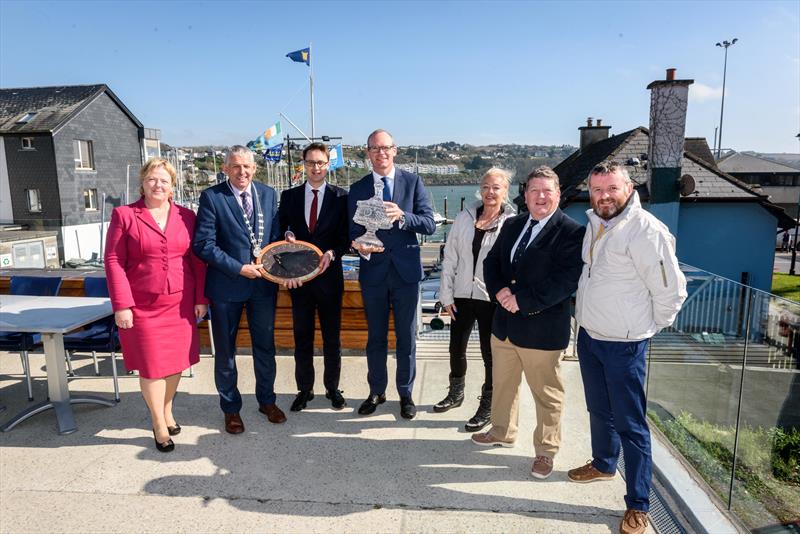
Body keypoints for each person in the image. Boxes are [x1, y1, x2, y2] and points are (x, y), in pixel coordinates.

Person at [568, 161, 687, 534]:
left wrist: (644, 329)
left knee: (632, 426)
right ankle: (604, 464)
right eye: (597, 190)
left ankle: (638, 504)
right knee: (598, 410)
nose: (604, 197)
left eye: (611, 189)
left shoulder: (646, 230)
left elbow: (672, 292)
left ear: (629, 188)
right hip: (591, 337)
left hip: (625, 344)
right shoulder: (596, 223)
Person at [471, 166, 585, 481]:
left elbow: (565, 281)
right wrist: (500, 292)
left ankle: (546, 452)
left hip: (542, 330)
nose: (540, 197)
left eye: (547, 190)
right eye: (534, 190)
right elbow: (491, 262)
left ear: (559, 195)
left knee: (547, 395)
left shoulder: (573, 232)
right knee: (504, 385)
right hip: (504, 325)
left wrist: (522, 300)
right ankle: (502, 431)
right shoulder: (513, 224)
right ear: (525, 195)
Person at [104, 158, 208, 453]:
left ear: (172, 186)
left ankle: (167, 410)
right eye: (152, 179)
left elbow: (197, 261)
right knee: (151, 366)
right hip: (142, 305)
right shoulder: (125, 215)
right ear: (143, 183)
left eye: (164, 180)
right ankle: (158, 423)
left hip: (180, 304)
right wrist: (121, 305)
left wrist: (201, 298)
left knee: (176, 363)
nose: (157, 185)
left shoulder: (187, 216)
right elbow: (113, 261)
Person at [193, 145, 283, 434]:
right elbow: (204, 245)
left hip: (263, 287)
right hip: (226, 286)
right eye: (235, 166)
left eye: (246, 166)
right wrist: (238, 267)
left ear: (254, 168)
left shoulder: (268, 194)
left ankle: (267, 401)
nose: (241, 172)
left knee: (265, 348)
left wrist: (287, 239)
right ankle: (230, 409)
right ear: (225, 168)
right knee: (226, 352)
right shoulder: (212, 197)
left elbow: (275, 236)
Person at [348, 129, 436, 419]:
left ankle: (406, 393)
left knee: (406, 338)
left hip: (406, 274)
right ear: (367, 153)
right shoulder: (358, 188)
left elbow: (429, 224)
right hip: (373, 273)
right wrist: (360, 246)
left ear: (395, 150)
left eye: (385, 148)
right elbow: (352, 233)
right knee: (375, 337)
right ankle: (376, 391)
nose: (381, 153)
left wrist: (403, 217)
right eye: (374, 148)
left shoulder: (413, 182)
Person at [434, 168, 517, 432]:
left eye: (496, 187)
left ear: (506, 191)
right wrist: (446, 294)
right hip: (461, 294)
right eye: (486, 187)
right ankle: (456, 393)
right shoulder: (464, 217)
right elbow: (450, 258)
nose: (490, 192)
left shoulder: (512, 222)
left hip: (491, 298)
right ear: (479, 189)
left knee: (489, 354)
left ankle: (488, 404)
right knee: (455, 347)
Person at [278, 142, 350, 411]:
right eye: (311, 162)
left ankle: (333, 388)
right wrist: (286, 236)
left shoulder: (342, 197)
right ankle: (304, 389)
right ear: (304, 164)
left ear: (328, 164)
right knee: (302, 337)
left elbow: (346, 238)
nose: (316, 167)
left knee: (332, 338)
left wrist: (333, 252)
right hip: (300, 280)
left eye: (321, 162)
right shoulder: (290, 197)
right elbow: (280, 230)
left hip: (330, 279)